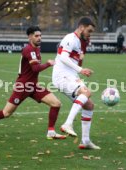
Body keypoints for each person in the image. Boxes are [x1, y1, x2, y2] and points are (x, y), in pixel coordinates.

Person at [0, 26, 66, 140]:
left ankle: (51, 132)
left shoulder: (35, 49)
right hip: (23, 87)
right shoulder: (29, 50)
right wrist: (48, 63)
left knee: (56, 103)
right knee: (6, 113)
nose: (39, 38)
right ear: (30, 37)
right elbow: (35, 69)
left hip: (33, 86)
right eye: (36, 36)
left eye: (40, 36)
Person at [52, 17, 100, 150]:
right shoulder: (70, 38)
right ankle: (68, 123)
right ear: (81, 27)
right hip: (62, 76)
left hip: (71, 76)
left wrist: (79, 68)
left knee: (89, 105)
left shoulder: (79, 42)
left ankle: (85, 141)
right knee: (87, 92)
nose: (89, 34)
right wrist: (81, 69)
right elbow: (62, 57)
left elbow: (73, 61)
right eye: (89, 31)